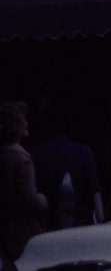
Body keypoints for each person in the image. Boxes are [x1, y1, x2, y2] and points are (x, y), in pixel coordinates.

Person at [29, 103, 103, 229]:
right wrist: (100, 219)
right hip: (80, 223)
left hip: (48, 225)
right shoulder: (83, 152)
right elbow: (94, 190)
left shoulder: (36, 154)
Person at [0, 101, 47, 271]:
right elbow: (29, 200)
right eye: (23, 120)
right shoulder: (21, 158)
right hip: (22, 233)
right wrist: (42, 199)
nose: (26, 123)